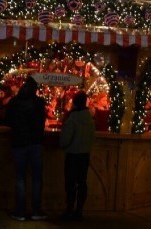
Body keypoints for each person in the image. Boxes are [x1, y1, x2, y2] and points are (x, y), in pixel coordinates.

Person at [2, 76, 48, 221]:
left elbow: (7, 119)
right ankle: (36, 211)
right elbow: (42, 120)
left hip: (19, 143)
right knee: (37, 178)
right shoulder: (39, 103)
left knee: (20, 177)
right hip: (36, 143)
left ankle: (20, 212)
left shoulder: (14, 102)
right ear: (35, 90)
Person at [59, 90, 96, 221]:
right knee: (82, 183)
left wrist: (64, 146)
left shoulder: (72, 119)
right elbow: (92, 137)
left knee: (70, 183)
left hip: (72, 155)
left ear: (74, 102)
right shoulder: (90, 119)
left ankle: (69, 209)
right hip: (84, 154)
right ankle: (79, 210)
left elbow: (64, 139)